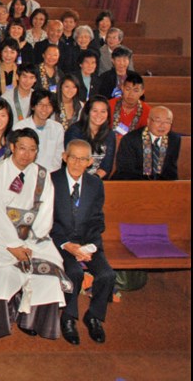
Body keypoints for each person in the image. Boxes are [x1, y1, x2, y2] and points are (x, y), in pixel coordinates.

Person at [0, 128, 72, 340]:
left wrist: (30, 242)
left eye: (32, 150)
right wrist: (12, 245)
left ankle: (32, 320)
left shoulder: (42, 175)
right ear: (12, 148)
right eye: (22, 148)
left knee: (47, 276)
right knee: (1, 275)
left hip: (32, 240)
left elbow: (46, 212)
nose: (26, 154)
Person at [52, 139, 115, 346]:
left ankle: (94, 316)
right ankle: (68, 318)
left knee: (107, 275)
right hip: (61, 242)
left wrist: (90, 247)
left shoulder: (95, 184)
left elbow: (97, 219)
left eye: (83, 159)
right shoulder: (53, 181)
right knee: (74, 273)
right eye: (73, 158)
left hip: (88, 242)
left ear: (90, 162)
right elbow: (48, 221)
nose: (77, 163)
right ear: (64, 157)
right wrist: (67, 245)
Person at [113, 106, 181, 181]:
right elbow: (126, 171)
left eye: (167, 122)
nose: (162, 126)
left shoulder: (174, 139)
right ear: (148, 121)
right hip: (132, 183)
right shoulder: (130, 139)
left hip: (160, 186)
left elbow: (171, 169)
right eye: (158, 121)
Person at [64, 96, 116, 178]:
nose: (99, 115)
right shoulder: (74, 131)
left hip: (97, 179)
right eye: (95, 111)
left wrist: (94, 180)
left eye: (103, 111)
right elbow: (73, 162)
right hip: (74, 177)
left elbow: (106, 166)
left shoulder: (110, 134)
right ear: (87, 112)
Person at [15, 89, 65, 172]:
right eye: (40, 104)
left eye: (49, 105)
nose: (44, 108)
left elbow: (58, 158)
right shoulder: (20, 127)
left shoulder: (57, 128)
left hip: (50, 175)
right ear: (33, 106)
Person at [108, 71, 150, 138]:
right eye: (128, 89)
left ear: (142, 92)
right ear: (122, 88)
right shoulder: (109, 105)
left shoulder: (147, 110)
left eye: (136, 91)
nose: (131, 94)